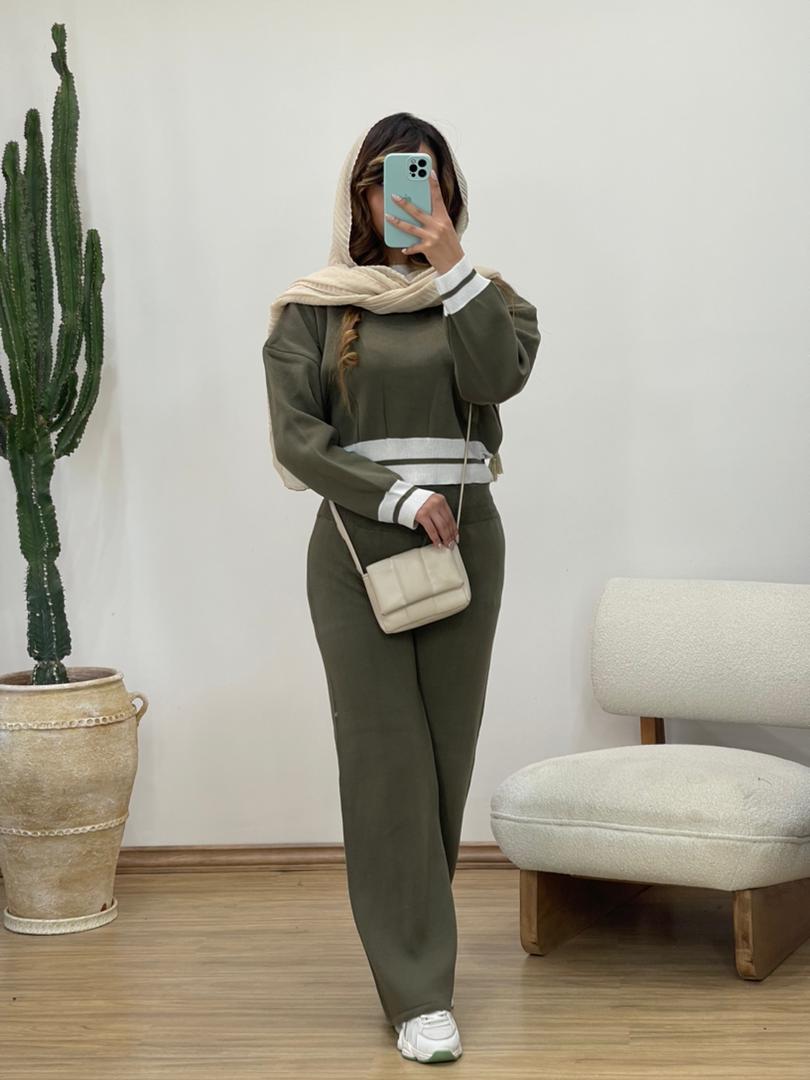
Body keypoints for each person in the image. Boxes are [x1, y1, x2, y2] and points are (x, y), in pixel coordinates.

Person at [261, 112, 541, 1064]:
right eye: (385, 179)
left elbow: (495, 380)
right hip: (355, 551)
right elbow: (298, 438)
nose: (403, 196)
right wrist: (399, 495)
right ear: (361, 197)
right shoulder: (312, 310)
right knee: (386, 765)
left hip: (466, 548)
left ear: (448, 192)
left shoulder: (492, 299)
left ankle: (414, 946)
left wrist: (452, 268)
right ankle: (419, 992)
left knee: (443, 764)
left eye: (422, 177)